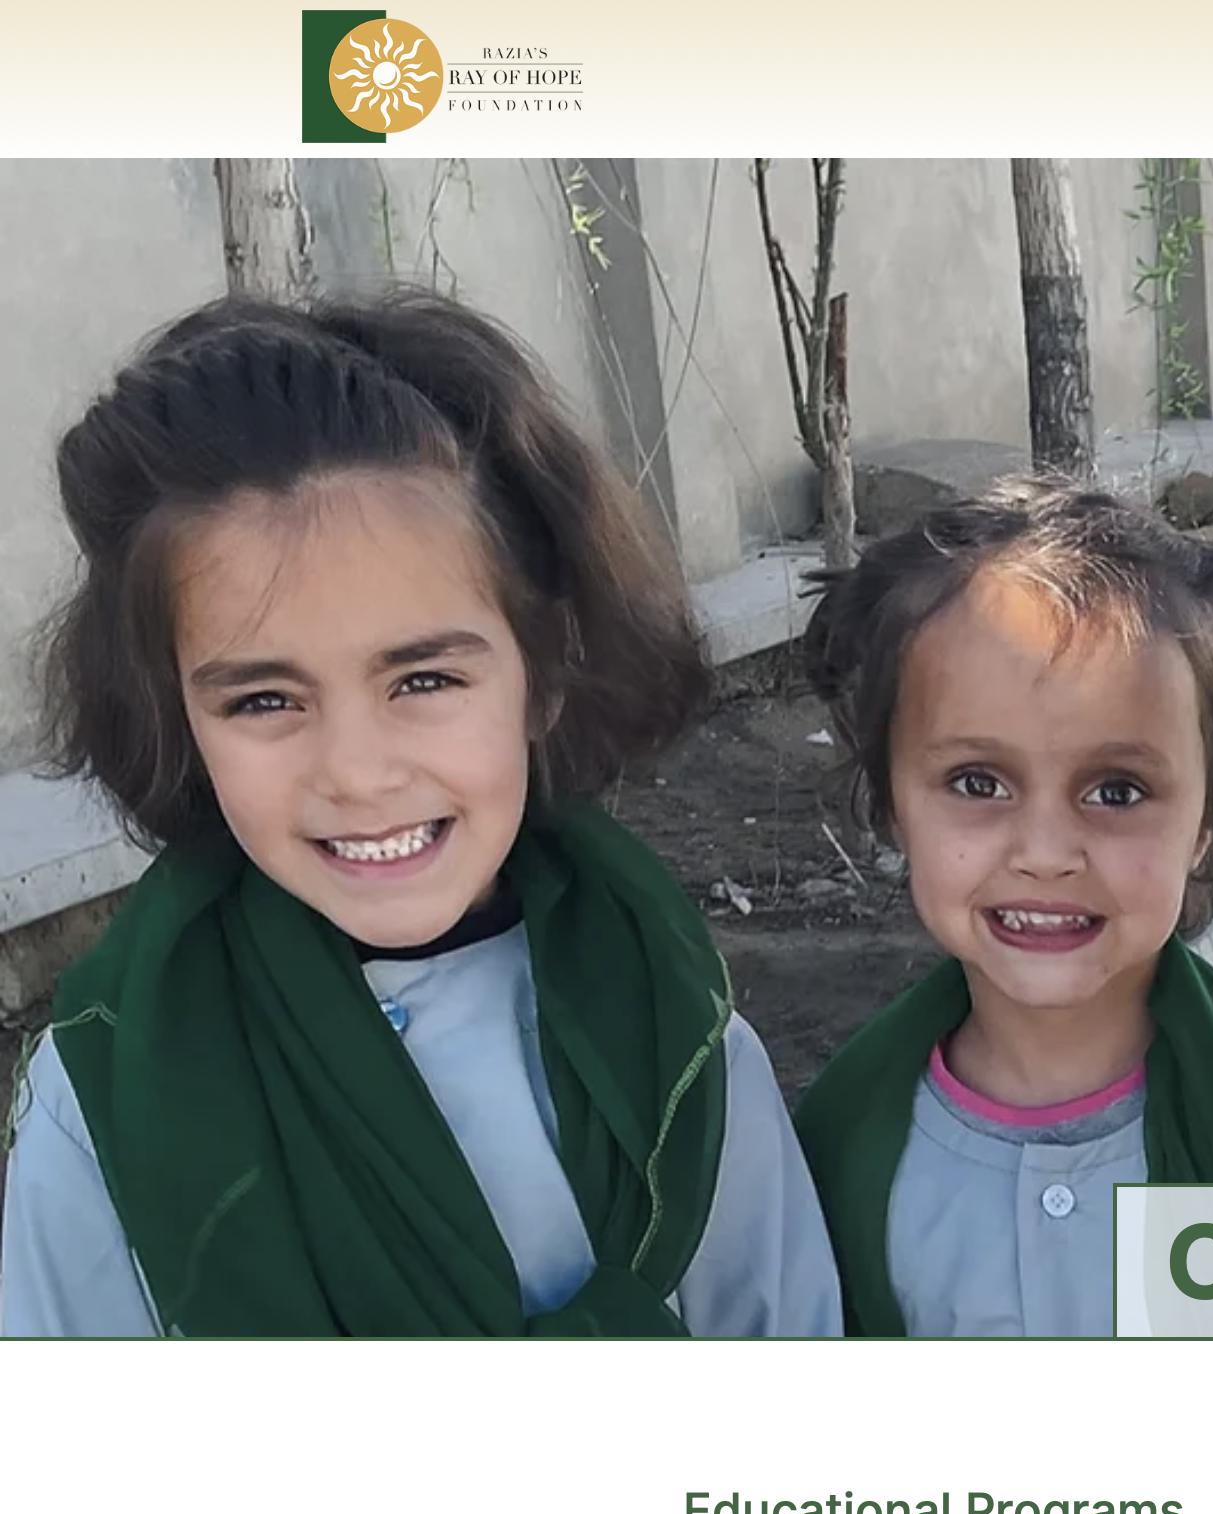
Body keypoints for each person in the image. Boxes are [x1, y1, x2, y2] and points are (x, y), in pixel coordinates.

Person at [1, 291, 839, 1336]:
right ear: (176, 715)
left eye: (425, 681)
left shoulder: (675, 1031)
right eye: (264, 700)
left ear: (544, 673)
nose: (357, 773)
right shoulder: (116, 1093)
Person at [793, 479, 1213, 1336]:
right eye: (977, 782)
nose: (1045, 852)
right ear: (893, 803)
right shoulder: (841, 1151)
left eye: (1117, 790)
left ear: (1207, 819)